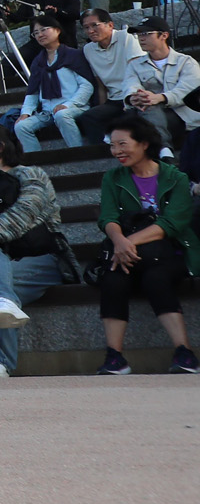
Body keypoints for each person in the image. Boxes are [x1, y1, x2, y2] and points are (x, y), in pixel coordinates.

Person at [0, 119, 79, 378]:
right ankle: (4, 304)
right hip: (2, 260)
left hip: (44, 259)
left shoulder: (32, 174)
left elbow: (23, 215)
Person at [94, 115, 200, 375]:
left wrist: (126, 243)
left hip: (170, 251)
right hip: (127, 252)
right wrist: (119, 241)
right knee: (112, 280)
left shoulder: (175, 177)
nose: (116, 151)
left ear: (143, 143)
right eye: (112, 145)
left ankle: (184, 352)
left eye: (122, 144)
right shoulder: (113, 177)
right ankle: (114, 357)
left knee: (157, 278)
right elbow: (107, 217)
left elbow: (173, 223)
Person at [14, 14, 94, 152]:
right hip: (47, 112)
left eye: (44, 29)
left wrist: (67, 105)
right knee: (21, 126)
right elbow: (33, 91)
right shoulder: (38, 62)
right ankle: (36, 162)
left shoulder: (73, 55)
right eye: (36, 33)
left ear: (57, 30)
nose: (40, 35)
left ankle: (79, 153)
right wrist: (25, 112)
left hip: (75, 106)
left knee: (62, 115)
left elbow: (87, 85)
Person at [123, 17, 200, 148]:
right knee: (147, 108)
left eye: (146, 34)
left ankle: (162, 150)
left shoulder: (186, 62)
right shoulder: (134, 65)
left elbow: (187, 90)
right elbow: (130, 85)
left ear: (164, 35)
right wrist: (134, 97)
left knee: (144, 115)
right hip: (148, 112)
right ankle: (164, 151)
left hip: (180, 115)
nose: (141, 38)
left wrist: (159, 98)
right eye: (139, 35)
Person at [78, 9, 146, 142]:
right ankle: (105, 152)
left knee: (128, 120)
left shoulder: (126, 37)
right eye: (86, 27)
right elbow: (101, 85)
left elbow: (137, 72)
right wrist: (101, 107)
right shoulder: (88, 49)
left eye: (94, 25)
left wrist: (133, 99)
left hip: (134, 95)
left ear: (110, 25)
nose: (90, 31)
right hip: (114, 99)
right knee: (88, 117)